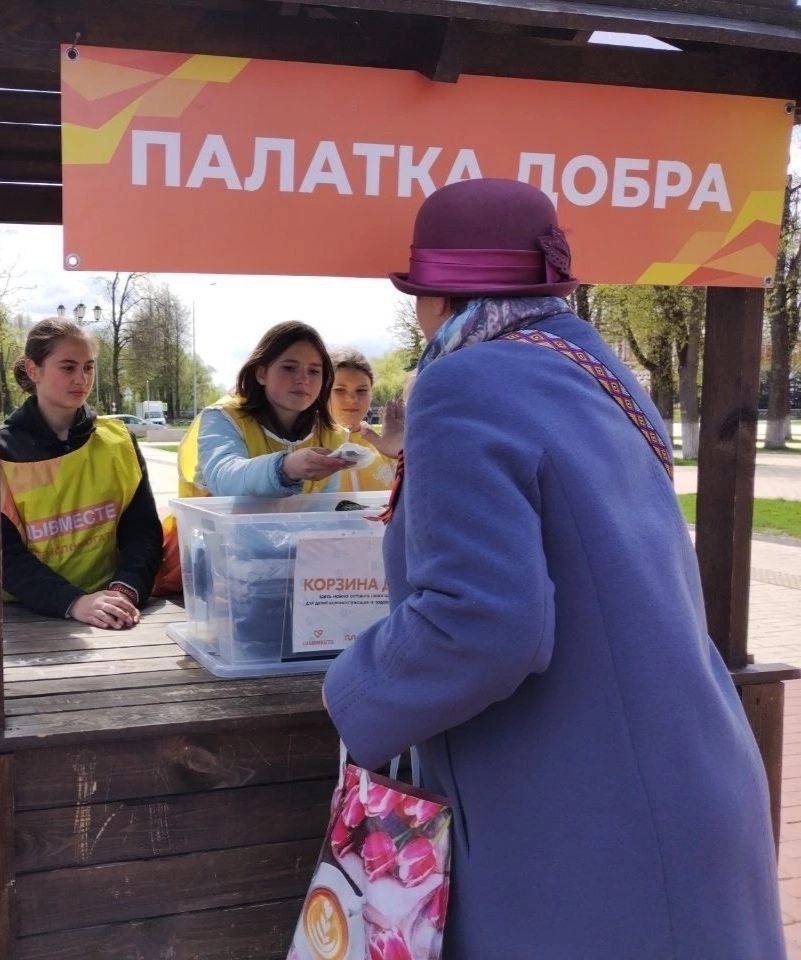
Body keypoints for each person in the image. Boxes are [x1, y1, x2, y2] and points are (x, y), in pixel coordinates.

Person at [322, 178, 786, 959]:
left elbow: (479, 622)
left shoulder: (461, 381)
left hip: (582, 818)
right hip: (683, 782)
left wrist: (351, 690)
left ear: (433, 297)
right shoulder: (598, 373)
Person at [0, 317, 163, 629]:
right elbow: (2, 556)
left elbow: (143, 533)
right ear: (34, 370)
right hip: (27, 617)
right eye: (68, 367)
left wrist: (124, 590)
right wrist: (72, 601)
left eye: (88, 367)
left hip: (115, 610)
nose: (82, 378)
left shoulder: (118, 439)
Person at [178, 321, 353, 497]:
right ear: (262, 373)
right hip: (212, 524)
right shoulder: (222, 417)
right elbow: (223, 478)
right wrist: (285, 467)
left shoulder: (332, 435)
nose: (303, 379)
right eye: (289, 368)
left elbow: (324, 508)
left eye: (314, 371)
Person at [328, 347, 402, 492]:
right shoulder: (308, 449)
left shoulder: (386, 448)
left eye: (361, 390)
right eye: (339, 390)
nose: (352, 399)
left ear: (371, 394)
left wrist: (403, 453)